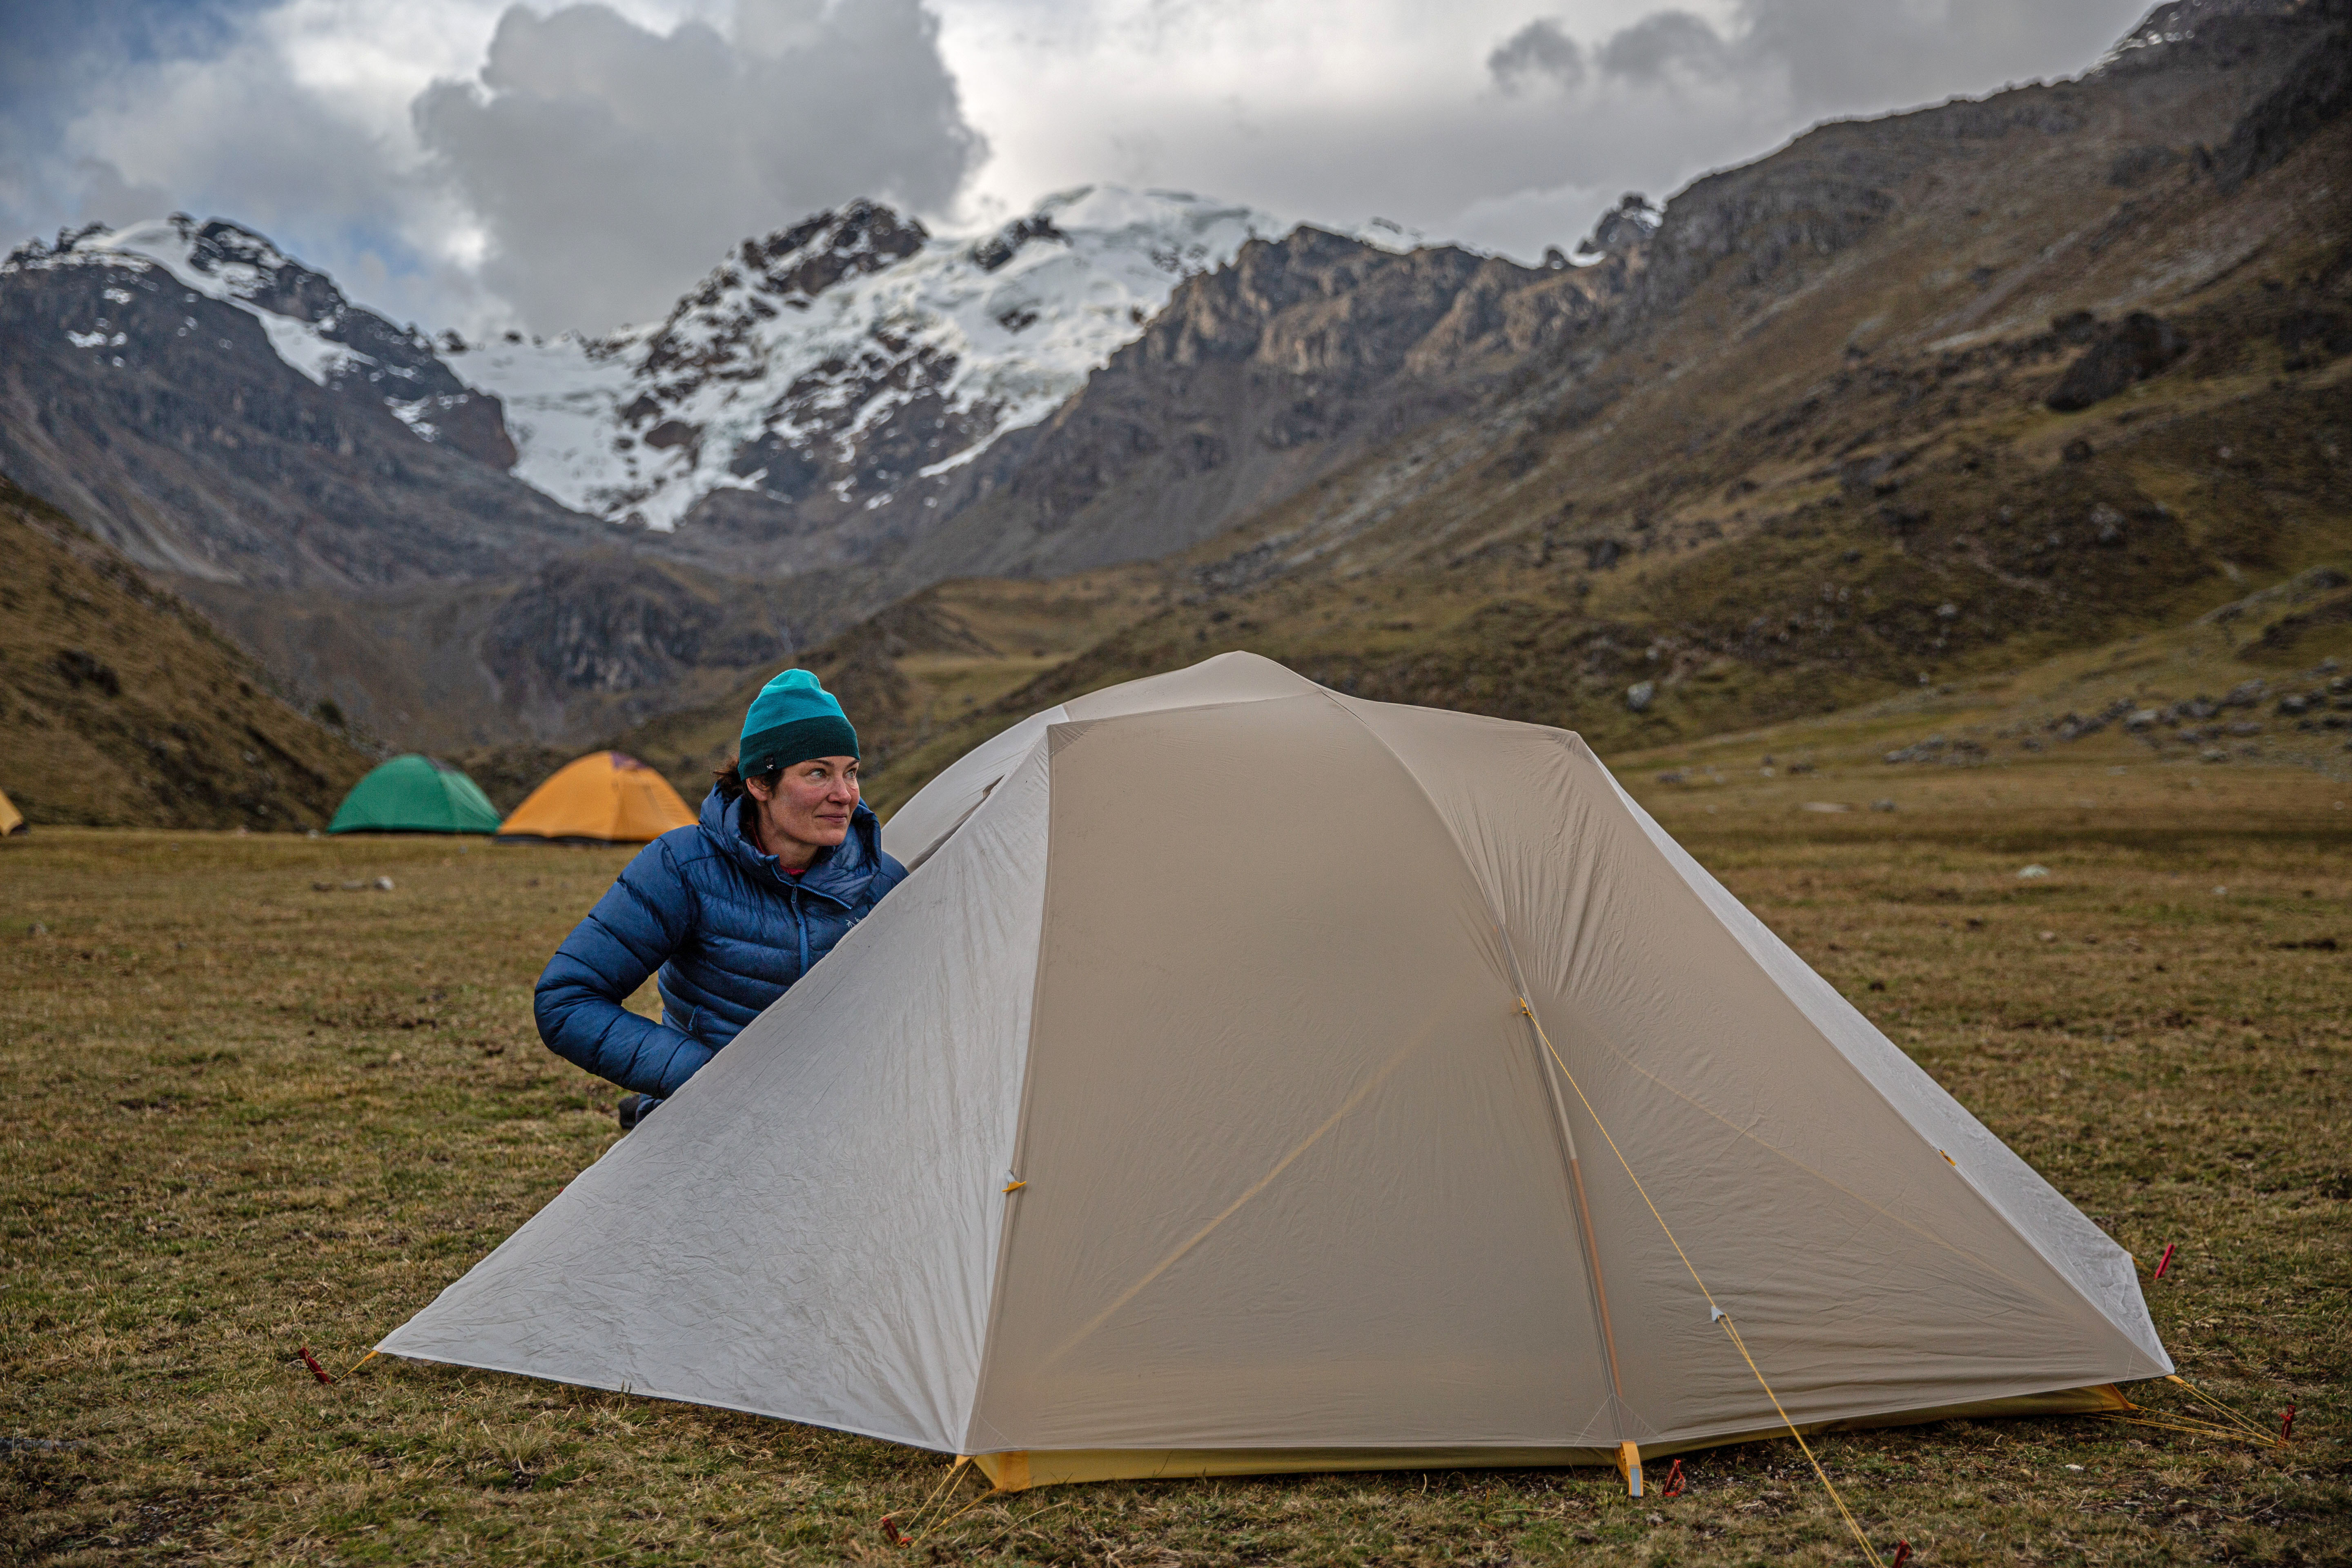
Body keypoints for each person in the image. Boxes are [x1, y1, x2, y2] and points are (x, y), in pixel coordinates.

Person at [534, 668, 908, 1127]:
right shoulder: (682, 867)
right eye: (818, 773)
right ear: (760, 784)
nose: (845, 795)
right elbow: (567, 999)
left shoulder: (881, 881)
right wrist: (703, 1077)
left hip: (838, 1132)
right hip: (712, 1130)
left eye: (851, 773)